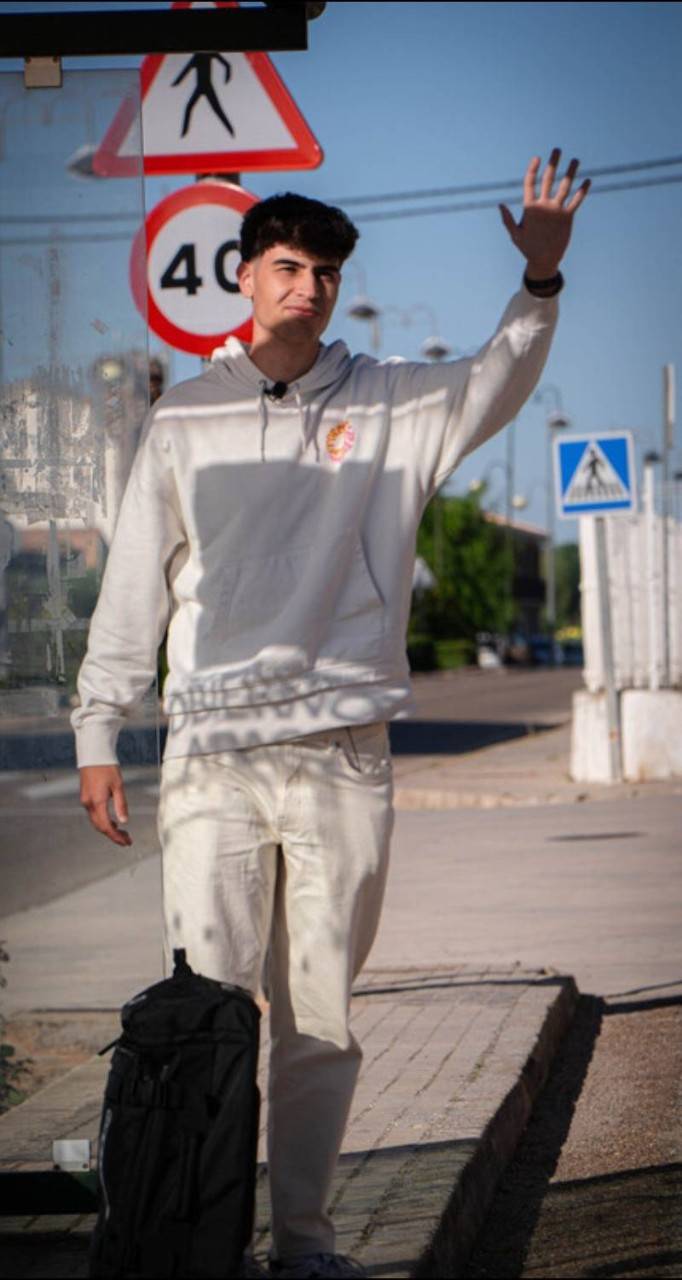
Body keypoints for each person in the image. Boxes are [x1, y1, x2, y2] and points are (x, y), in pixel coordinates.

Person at [74, 149, 589, 1279]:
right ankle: (204, 1243)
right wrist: (98, 727)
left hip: (343, 751)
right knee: (211, 1007)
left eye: (325, 270)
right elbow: (135, 583)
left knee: (319, 1016)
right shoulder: (186, 419)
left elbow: (496, 377)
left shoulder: (393, 399)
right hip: (212, 749)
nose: (308, 286)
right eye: (290, 266)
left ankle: (303, 1240)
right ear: (247, 277)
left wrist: (538, 282)